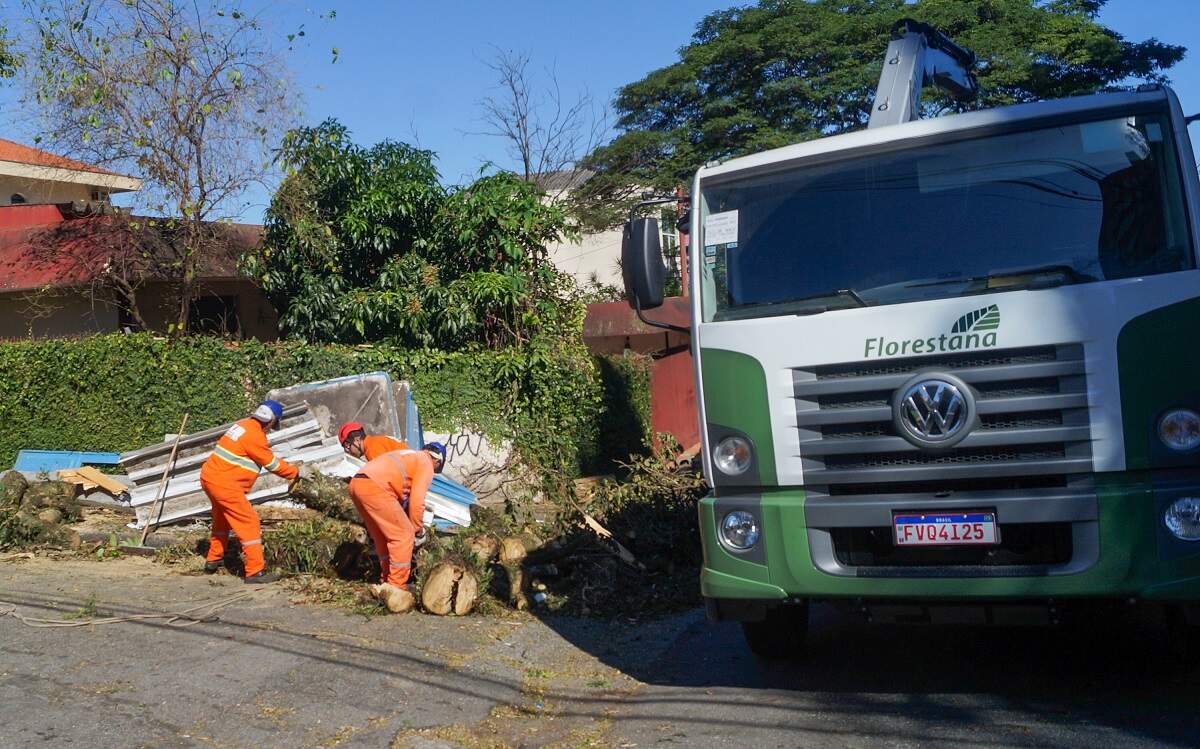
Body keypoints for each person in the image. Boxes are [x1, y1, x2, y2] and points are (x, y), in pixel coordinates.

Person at [199, 400, 298, 583]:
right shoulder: (255, 436)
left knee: (221, 518)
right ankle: (254, 571)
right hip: (225, 484)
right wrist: (296, 472)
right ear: (270, 421)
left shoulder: (242, 425)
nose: (270, 429)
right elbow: (272, 464)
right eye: (272, 425)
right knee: (249, 522)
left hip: (209, 477)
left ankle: (213, 559)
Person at [346, 442, 446, 594]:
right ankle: (396, 587)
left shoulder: (408, 455)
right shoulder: (426, 463)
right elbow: (417, 502)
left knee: (383, 536)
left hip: (357, 484)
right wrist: (418, 531)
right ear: (437, 461)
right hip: (375, 487)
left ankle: (386, 580)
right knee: (404, 535)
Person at [338, 422, 408, 461]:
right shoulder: (375, 441)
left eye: (348, 447)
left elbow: (385, 477)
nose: (350, 453)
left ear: (357, 439)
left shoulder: (372, 449)